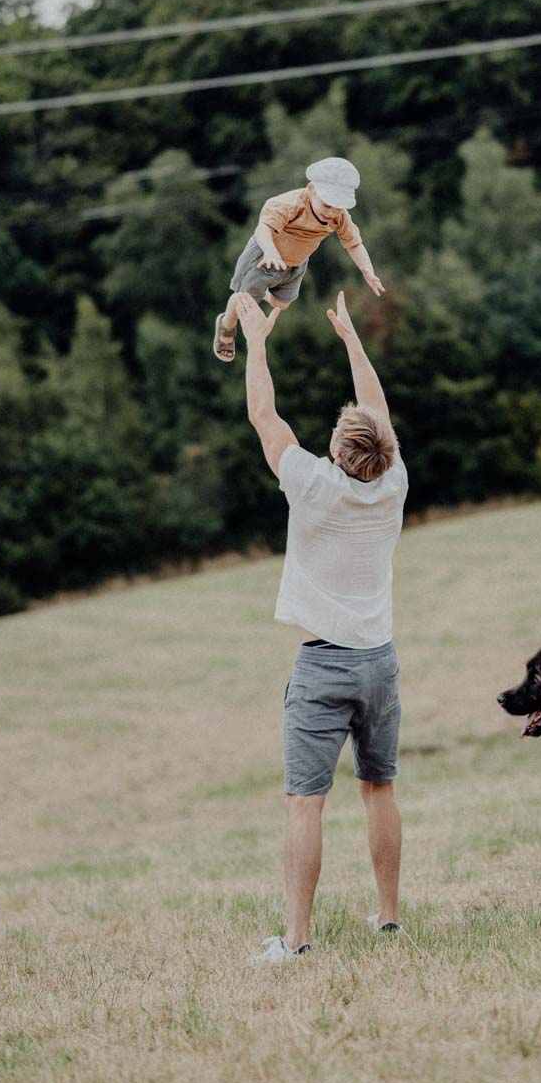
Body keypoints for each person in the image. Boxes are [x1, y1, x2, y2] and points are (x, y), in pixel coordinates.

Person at [234, 286, 409, 964]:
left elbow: (261, 412)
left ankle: (298, 942)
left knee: (305, 804)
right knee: (379, 788)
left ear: (338, 447)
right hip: (379, 663)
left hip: (323, 666)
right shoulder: (392, 485)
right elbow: (380, 417)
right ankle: (388, 920)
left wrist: (256, 337)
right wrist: (349, 339)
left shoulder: (309, 481)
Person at [214, 156, 385, 362]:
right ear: (311, 188)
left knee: (281, 304)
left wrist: (367, 270)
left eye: (338, 207)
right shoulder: (288, 204)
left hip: (296, 263)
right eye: (327, 204)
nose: (332, 213)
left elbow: (354, 244)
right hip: (264, 257)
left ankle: (264, 293)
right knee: (245, 301)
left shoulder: (340, 216)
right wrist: (270, 252)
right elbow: (263, 229)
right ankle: (226, 324)